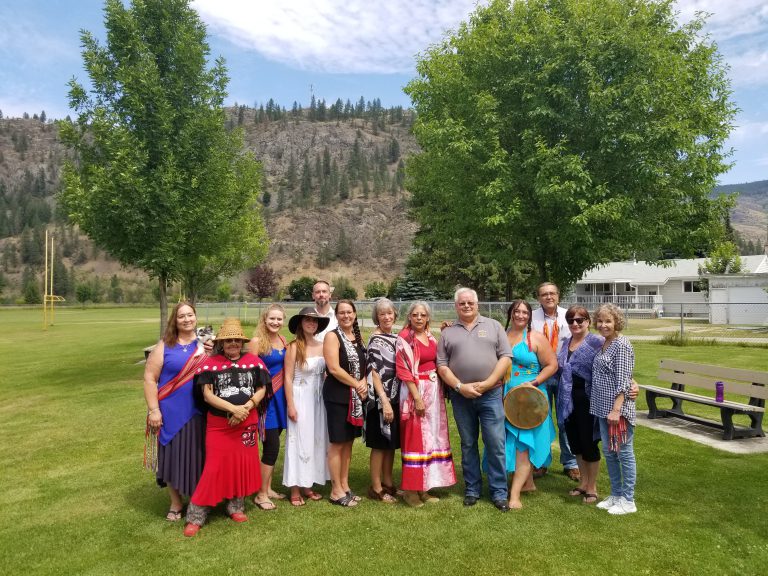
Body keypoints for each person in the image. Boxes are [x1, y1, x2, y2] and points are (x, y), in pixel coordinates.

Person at [183, 319, 272, 537]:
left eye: (236, 340)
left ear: (241, 341)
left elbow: (262, 389)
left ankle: (235, 507)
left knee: (240, 465)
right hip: (220, 425)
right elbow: (207, 395)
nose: (232, 343)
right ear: (221, 342)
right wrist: (234, 409)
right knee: (214, 467)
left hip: (246, 422)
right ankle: (196, 515)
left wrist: (247, 407)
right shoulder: (210, 363)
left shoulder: (254, 361)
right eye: (228, 340)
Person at [437, 287, 512, 512]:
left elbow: (506, 357)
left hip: (491, 394)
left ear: (477, 304)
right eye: (462, 303)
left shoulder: (494, 326)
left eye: (470, 303)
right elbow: (441, 365)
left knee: (495, 443)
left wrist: (489, 382)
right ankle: (472, 489)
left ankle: (499, 492)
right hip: (461, 397)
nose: (467, 306)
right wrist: (460, 386)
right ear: (456, 306)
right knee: (468, 443)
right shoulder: (447, 333)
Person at [143, 301, 208, 522]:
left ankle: (199, 499)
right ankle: (176, 502)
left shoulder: (206, 345)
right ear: (175, 320)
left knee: (198, 456)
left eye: (190, 315)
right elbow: (150, 379)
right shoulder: (164, 346)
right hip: (170, 411)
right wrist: (153, 410)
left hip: (199, 411)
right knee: (172, 456)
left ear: (196, 317)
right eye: (182, 316)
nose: (187, 319)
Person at [396, 301, 456, 507]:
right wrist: (417, 398)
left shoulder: (430, 337)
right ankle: (410, 490)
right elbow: (403, 370)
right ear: (409, 317)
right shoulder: (404, 338)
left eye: (423, 315)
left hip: (434, 391)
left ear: (428, 317)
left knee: (431, 438)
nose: (419, 318)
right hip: (416, 391)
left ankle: (425, 487)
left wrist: (446, 331)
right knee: (415, 439)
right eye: (415, 315)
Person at [504, 300, 559, 509]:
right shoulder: (502, 335)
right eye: (516, 311)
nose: (520, 315)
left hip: (530, 398)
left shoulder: (535, 337)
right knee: (511, 441)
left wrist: (534, 382)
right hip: (507, 397)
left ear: (529, 316)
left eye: (525, 312)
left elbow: (552, 364)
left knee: (523, 445)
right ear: (510, 313)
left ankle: (514, 495)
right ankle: (527, 483)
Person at [590, 304, 638, 515]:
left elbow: (624, 380)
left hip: (617, 411)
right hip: (602, 409)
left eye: (608, 321)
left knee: (624, 453)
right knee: (610, 454)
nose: (603, 325)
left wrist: (616, 410)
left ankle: (628, 499)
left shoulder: (622, 344)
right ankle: (616, 494)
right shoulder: (605, 344)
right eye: (600, 321)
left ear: (617, 322)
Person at [282, 307, 331, 506]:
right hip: (300, 397)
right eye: (307, 320)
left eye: (314, 321)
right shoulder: (294, 347)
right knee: (298, 441)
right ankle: (294, 487)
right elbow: (287, 377)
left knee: (315, 441)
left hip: (318, 400)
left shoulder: (322, 346)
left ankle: (307, 484)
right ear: (301, 323)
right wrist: (291, 405)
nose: (311, 323)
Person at [531, 282, 579, 481]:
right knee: (540, 419)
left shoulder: (570, 316)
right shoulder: (530, 317)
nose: (548, 297)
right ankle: (541, 461)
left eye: (552, 293)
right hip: (539, 374)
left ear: (558, 296)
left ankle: (570, 463)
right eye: (544, 294)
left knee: (565, 419)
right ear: (539, 297)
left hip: (565, 375)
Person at [556, 305, 603, 504]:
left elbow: (612, 365)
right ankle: (583, 483)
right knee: (575, 443)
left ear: (588, 322)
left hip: (587, 398)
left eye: (579, 320)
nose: (575, 324)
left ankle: (592, 487)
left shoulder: (597, 342)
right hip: (567, 399)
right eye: (571, 320)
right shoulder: (565, 343)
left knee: (589, 442)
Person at [323, 299, 368, 507]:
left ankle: (345, 486)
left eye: (349, 312)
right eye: (341, 313)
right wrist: (357, 385)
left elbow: (364, 365)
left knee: (348, 443)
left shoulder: (357, 337)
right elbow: (333, 368)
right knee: (337, 443)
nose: (346, 316)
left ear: (355, 314)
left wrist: (364, 382)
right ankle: (335, 491)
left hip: (354, 398)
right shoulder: (332, 337)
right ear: (336, 315)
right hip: (337, 396)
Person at [250, 304, 288, 510]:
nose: (275, 322)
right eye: (272, 319)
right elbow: (250, 373)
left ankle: (268, 487)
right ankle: (261, 494)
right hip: (266, 401)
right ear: (265, 320)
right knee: (271, 446)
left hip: (282, 399)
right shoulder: (257, 342)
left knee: (271, 445)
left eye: (279, 319)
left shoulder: (283, 341)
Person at [365, 298, 401, 504]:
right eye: (382, 314)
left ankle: (388, 483)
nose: (387, 317)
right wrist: (384, 401)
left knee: (390, 443)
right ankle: (376, 487)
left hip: (395, 396)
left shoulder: (394, 337)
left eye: (389, 313)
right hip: (380, 400)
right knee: (379, 444)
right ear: (376, 318)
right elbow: (374, 373)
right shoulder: (376, 340)